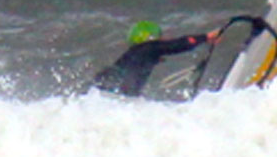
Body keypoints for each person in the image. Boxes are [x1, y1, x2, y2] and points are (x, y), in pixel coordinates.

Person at [93, 18, 221, 97]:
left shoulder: (136, 54)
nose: (163, 39)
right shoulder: (148, 48)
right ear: (151, 38)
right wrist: (206, 37)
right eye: (160, 37)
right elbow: (176, 45)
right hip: (117, 96)